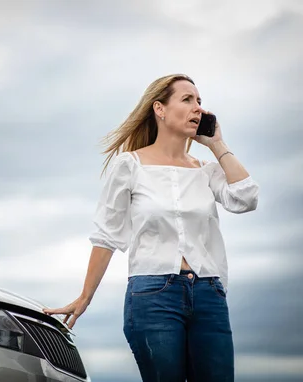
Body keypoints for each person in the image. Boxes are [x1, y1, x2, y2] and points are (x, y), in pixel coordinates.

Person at [43, 74, 259, 382]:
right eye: (187, 100)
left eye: (199, 101)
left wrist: (216, 144)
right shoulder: (129, 166)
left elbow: (247, 197)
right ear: (159, 109)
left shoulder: (206, 171)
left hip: (209, 293)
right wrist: (84, 297)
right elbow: (107, 236)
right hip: (153, 295)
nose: (198, 108)